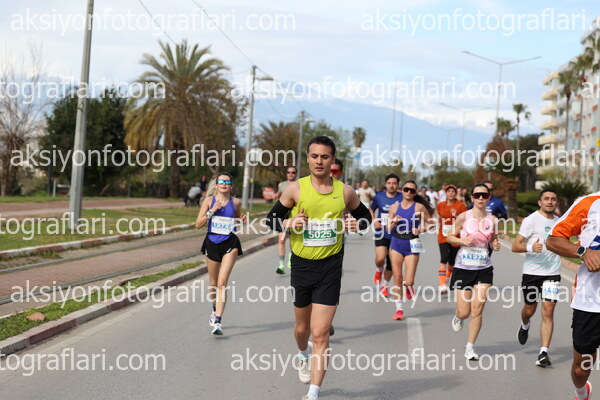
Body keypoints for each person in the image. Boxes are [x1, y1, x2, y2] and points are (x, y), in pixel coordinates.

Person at [266, 136, 372, 400]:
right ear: (308, 159)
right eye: (314, 156)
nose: (319, 161)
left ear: (332, 160)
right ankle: (302, 355)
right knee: (302, 330)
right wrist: (289, 224)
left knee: (321, 332)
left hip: (330, 267)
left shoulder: (345, 192)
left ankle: (313, 393)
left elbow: (365, 217)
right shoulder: (295, 189)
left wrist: (357, 224)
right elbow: (271, 219)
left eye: (325, 156)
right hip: (302, 266)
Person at [546, 192, 600, 400]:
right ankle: (581, 392)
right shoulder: (589, 204)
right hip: (590, 301)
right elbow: (553, 240)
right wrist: (583, 252)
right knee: (581, 369)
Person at [447, 183, 501, 360]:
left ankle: (470, 347)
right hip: (463, 268)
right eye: (477, 195)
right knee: (464, 312)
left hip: (484, 268)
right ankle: (458, 316)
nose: (480, 198)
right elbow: (449, 236)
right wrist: (462, 241)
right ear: (472, 198)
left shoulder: (493, 220)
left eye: (484, 195)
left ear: (488, 198)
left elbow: (493, 240)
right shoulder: (464, 216)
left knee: (477, 309)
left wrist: (495, 244)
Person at [511, 188, 561, 367]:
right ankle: (525, 324)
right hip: (532, 273)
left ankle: (543, 353)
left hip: (552, 273)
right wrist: (531, 248)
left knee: (548, 311)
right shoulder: (530, 220)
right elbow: (515, 246)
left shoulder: (560, 222)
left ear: (556, 203)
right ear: (540, 202)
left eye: (553, 199)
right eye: (546, 198)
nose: (550, 201)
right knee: (530, 309)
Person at [196, 172, 247, 336]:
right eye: (221, 182)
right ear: (216, 185)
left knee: (222, 283)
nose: (224, 184)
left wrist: (242, 220)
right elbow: (198, 224)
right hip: (212, 243)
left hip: (230, 243)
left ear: (231, 186)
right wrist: (212, 211)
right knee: (213, 283)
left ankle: (218, 320)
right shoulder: (208, 201)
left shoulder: (236, 202)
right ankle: (214, 308)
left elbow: (237, 219)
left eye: (227, 182)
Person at [387, 180, 433, 321]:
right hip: (396, 242)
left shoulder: (419, 207)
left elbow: (431, 223)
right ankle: (399, 310)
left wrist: (421, 229)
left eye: (412, 190)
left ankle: (409, 287)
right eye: (406, 189)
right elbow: (388, 228)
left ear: (415, 193)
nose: (408, 192)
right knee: (397, 278)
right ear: (402, 190)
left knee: (409, 281)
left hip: (412, 243)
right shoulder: (394, 207)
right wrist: (393, 222)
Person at [370, 173, 403, 297]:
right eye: (389, 183)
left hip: (396, 234)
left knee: (391, 263)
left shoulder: (402, 197)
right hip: (381, 232)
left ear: (398, 185)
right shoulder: (379, 197)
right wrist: (374, 220)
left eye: (394, 183)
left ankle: (384, 285)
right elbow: (371, 209)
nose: (391, 185)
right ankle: (379, 270)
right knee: (380, 258)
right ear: (385, 184)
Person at [436, 185, 467, 295]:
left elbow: (465, 220)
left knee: (452, 260)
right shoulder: (440, 205)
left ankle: (448, 276)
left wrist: (457, 215)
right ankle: (442, 284)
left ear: (455, 193)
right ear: (446, 193)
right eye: (448, 191)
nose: (451, 193)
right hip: (443, 236)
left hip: (455, 236)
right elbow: (438, 217)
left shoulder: (460, 205)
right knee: (444, 258)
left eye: (453, 191)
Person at [275, 166, 298, 275]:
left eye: (293, 172)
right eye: (289, 172)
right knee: (281, 240)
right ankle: (281, 265)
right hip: (283, 216)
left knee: (293, 241)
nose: (290, 174)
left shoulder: (300, 185)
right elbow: (278, 197)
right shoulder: (281, 185)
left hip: (294, 216)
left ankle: (290, 258)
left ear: (296, 174)